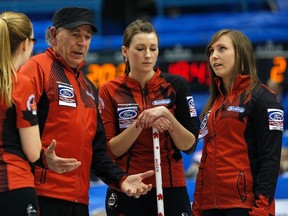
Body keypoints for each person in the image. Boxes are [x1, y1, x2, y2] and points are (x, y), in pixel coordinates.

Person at [19, 7, 154, 216]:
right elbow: (13, 132)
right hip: (41, 196)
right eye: (75, 35)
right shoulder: (35, 69)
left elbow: (97, 152)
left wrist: (121, 179)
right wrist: (43, 159)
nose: (82, 42)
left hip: (80, 201)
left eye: (87, 36)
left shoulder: (88, 88)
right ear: (53, 35)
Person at [98, 19, 199, 216]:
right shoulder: (109, 90)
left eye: (153, 48)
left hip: (171, 187)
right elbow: (110, 150)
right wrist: (140, 123)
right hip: (128, 186)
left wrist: (166, 117)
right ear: (125, 52)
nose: (147, 55)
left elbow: (190, 145)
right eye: (140, 48)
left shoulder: (176, 85)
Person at [192, 29, 284, 216]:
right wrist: (197, 208)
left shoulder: (264, 99)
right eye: (211, 51)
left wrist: (262, 210)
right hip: (209, 206)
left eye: (222, 49)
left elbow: (271, 161)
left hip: (245, 207)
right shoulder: (214, 103)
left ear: (240, 54)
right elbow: (205, 159)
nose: (214, 56)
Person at [0, 11, 81, 216]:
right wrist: (47, 159)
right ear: (26, 43)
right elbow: (33, 151)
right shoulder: (19, 83)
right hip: (13, 183)